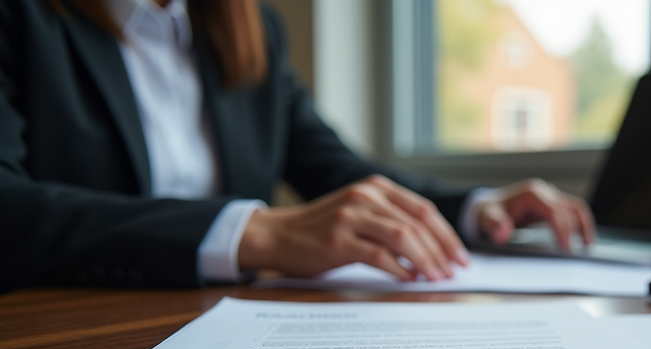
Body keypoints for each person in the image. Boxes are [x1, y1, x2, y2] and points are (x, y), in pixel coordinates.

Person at [0, 0, 594, 294]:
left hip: (220, 324)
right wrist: (254, 233)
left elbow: (334, 170)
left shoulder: (249, 25)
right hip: (65, 330)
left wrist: (471, 207)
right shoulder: (22, 17)